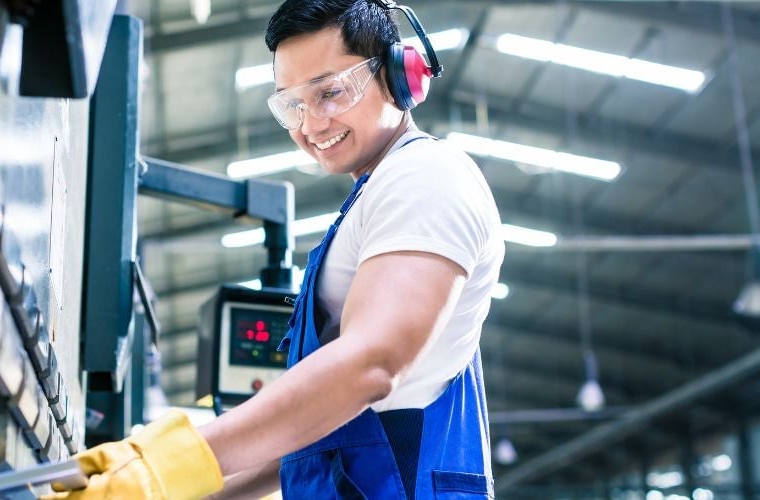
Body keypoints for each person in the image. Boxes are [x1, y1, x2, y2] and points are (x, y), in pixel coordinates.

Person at [48, 0, 504, 498]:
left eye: (330, 92)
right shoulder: (374, 197)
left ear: (400, 75)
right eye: (293, 105)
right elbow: (312, 441)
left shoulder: (426, 177)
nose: (312, 126)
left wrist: (169, 461)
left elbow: (370, 365)